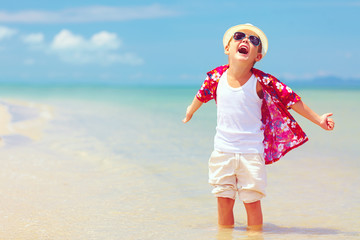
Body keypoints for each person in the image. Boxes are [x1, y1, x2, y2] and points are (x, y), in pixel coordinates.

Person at [182, 23, 335, 231]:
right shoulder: (216, 77)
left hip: (251, 154)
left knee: (252, 202)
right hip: (222, 152)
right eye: (239, 36)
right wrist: (190, 111)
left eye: (253, 40)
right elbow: (201, 95)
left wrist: (318, 119)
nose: (245, 40)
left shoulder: (261, 81)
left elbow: (291, 99)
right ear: (228, 48)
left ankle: (255, 235)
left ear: (258, 57)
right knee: (224, 204)